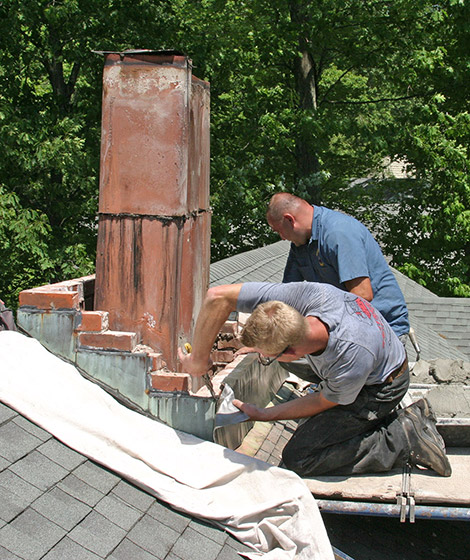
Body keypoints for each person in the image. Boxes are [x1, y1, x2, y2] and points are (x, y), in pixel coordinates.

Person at [179, 281, 451, 478]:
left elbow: (322, 401)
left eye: (268, 357)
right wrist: (198, 359)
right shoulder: (307, 295)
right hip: (365, 358)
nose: (265, 360)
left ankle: (403, 436)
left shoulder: (349, 356)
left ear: (291, 352)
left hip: (382, 387)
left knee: (299, 458)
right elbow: (217, 295)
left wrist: (264, 414)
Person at [266, 193, 410, 340]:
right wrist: (261, 339)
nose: (282, 238)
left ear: (290, 220)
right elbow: (287, 297)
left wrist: (317, 323)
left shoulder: (338, 233)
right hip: (348, 329)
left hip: (383, 331)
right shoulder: (300, 244)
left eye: (279, 231)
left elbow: (362, 296)